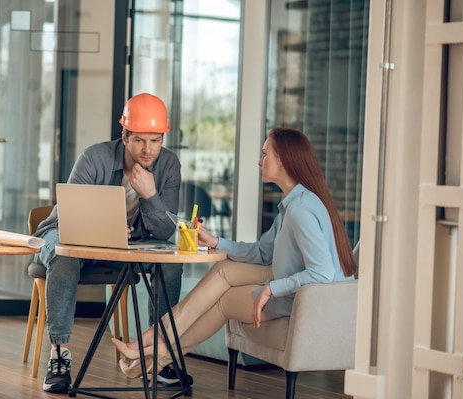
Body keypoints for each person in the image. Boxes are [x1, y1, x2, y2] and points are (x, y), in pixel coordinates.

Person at [111, 127, 357, 380]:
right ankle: (154, 344)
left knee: (223, 301)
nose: (259, 161)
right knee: (224, 269)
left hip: (310, 303)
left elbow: (322, 273)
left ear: (282, 159)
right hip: (296, 289)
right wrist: (216, 241)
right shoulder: (293, 204)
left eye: (265, 154)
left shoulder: (301, 210)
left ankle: (151, 350)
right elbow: (263, 252)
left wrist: (272, 288)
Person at [32, 93, 184, 393]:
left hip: (125, 248)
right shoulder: (95, 157)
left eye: (155, 140)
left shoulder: (169, 166)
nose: (148, 150)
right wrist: (105, 228)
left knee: (171, 264)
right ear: (124, 135)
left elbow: (165, 232)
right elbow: (69, 216)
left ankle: (160, 356)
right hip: (67, 237)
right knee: (64, 255)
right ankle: (59, 353)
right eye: (139, 140)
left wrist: (150, 196)